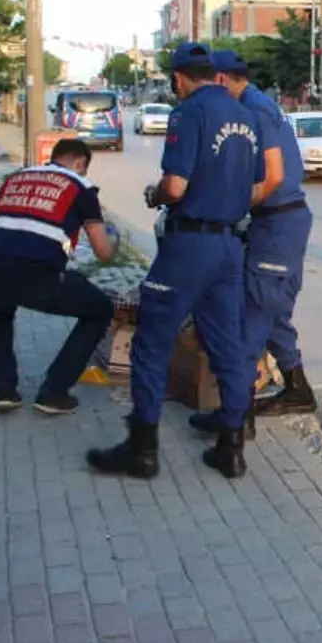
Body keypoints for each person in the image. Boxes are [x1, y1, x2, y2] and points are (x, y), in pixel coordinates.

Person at [86, 42, 264, 481]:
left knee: (151, 343)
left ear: (179, 78)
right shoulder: (245, 116)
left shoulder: (188, 113)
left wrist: (155, 194)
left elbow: (176, 187)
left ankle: (142, 451)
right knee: (228, 347)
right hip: (229, 246)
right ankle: (231, 448)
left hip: (190, 246)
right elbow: (258, 184)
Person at [189, 50, 315, 441]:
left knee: (252, 315)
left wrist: (228, 207)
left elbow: (272, 177)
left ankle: (235, 417)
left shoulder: (253, 111)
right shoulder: (257, 105)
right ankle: (297, 390)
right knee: (273, 310)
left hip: (277, 223)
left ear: (223, 80)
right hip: (280, 222)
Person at [0, 138, 117, 415]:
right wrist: (113, 241)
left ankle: (4, 390)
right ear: (80, 163)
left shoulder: (16, 178)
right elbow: (103, 252)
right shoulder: (80, 186)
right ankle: (54, 392)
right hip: (35, 274)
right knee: (100, 309)